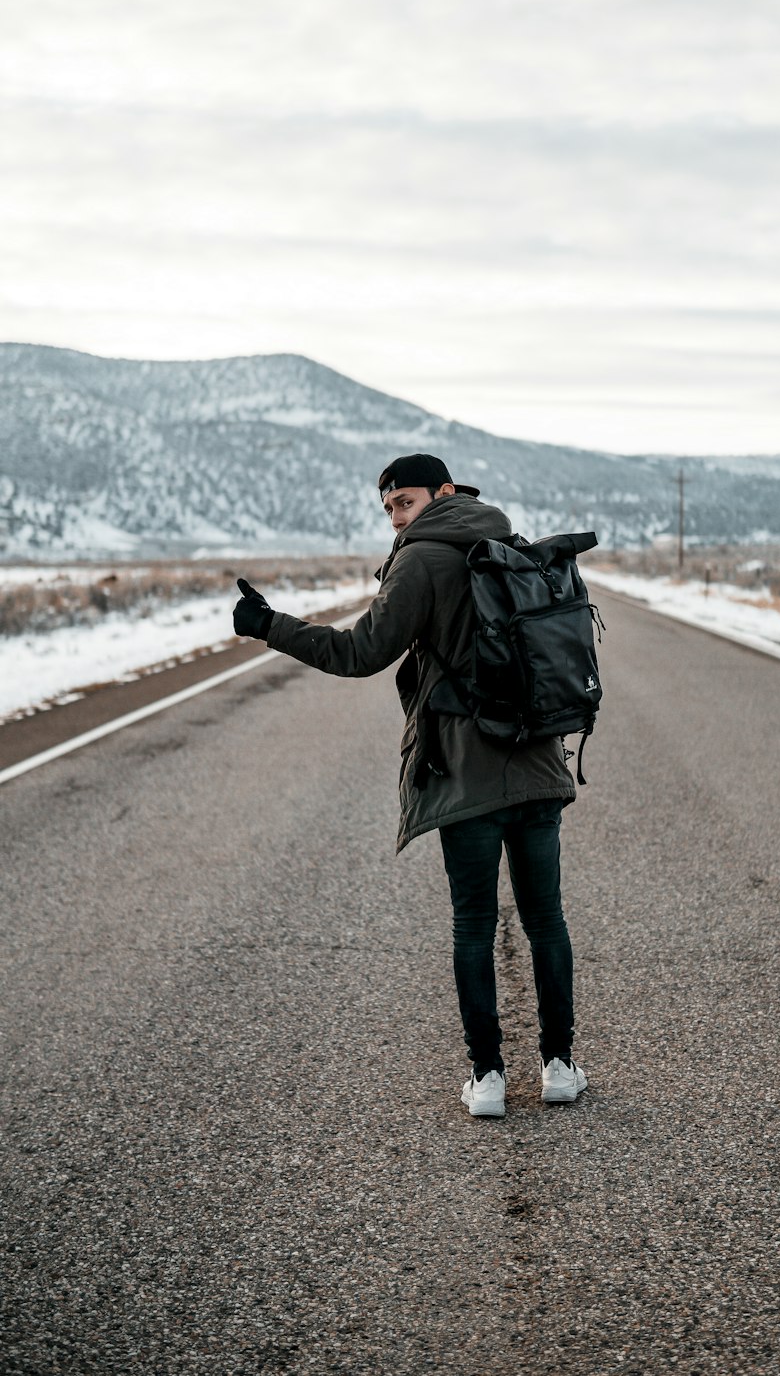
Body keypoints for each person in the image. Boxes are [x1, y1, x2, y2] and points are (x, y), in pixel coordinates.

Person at [232, 453, 588, 1119]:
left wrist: (269, 625)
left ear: (444, 492)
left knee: (474, 923)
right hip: (540, 761)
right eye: (389, 508)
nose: (397, 517)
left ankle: (487, 1079)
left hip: (465, 775)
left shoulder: (419, 559)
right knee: (546, 920)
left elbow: (360, 652)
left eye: (406, 502)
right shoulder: (508, 543)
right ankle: (560, 1066)